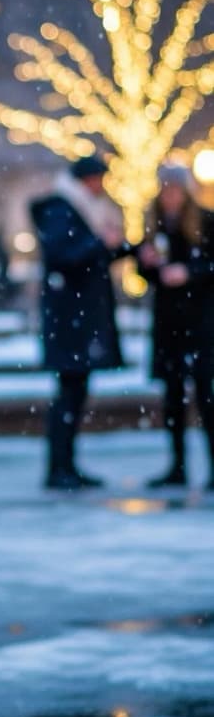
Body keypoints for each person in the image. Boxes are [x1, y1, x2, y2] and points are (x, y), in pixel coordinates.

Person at [30, 157, 129, 489]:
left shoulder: (82, 209)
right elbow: (63, 255)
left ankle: (66, 465)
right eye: (96, 179)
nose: (100, 186)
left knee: (74, 391)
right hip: (70, 319)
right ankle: (60, 468)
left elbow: (85, 255)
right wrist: (101, 243)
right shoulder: (63, 209)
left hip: (77, 318)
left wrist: (124, 249)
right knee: (69, 393)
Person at [138, 161, 214, 488]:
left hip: (201, 321)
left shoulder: (207, 222)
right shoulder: (154, 222)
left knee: (206, 395)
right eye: (166, 189)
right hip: (169, 322)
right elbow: (147, 273)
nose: (170, 196)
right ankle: (178, 467)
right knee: (173, 398)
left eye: (175, 189)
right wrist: (148, 265)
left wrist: (190, 273)